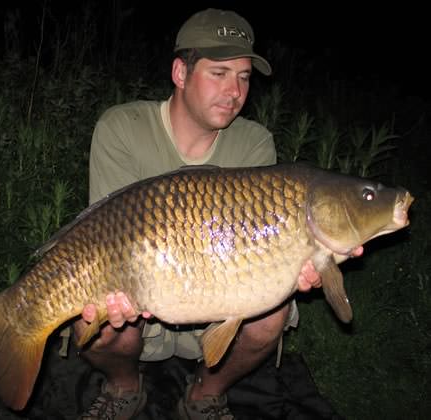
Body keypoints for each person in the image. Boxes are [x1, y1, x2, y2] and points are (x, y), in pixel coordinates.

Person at [73, 8, 362, 420]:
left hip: (218, 297)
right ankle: (123, 385)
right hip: (142, 293)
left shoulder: (254, 142)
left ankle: (206, 392)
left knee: (274, 310)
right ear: (180, 72)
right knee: (91, 322)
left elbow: (264, 239)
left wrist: (298, 267)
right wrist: (115, 288)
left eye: (244, 77)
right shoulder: (122, 128)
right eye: (219, 73)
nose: (234, 91)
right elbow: (103, 232)